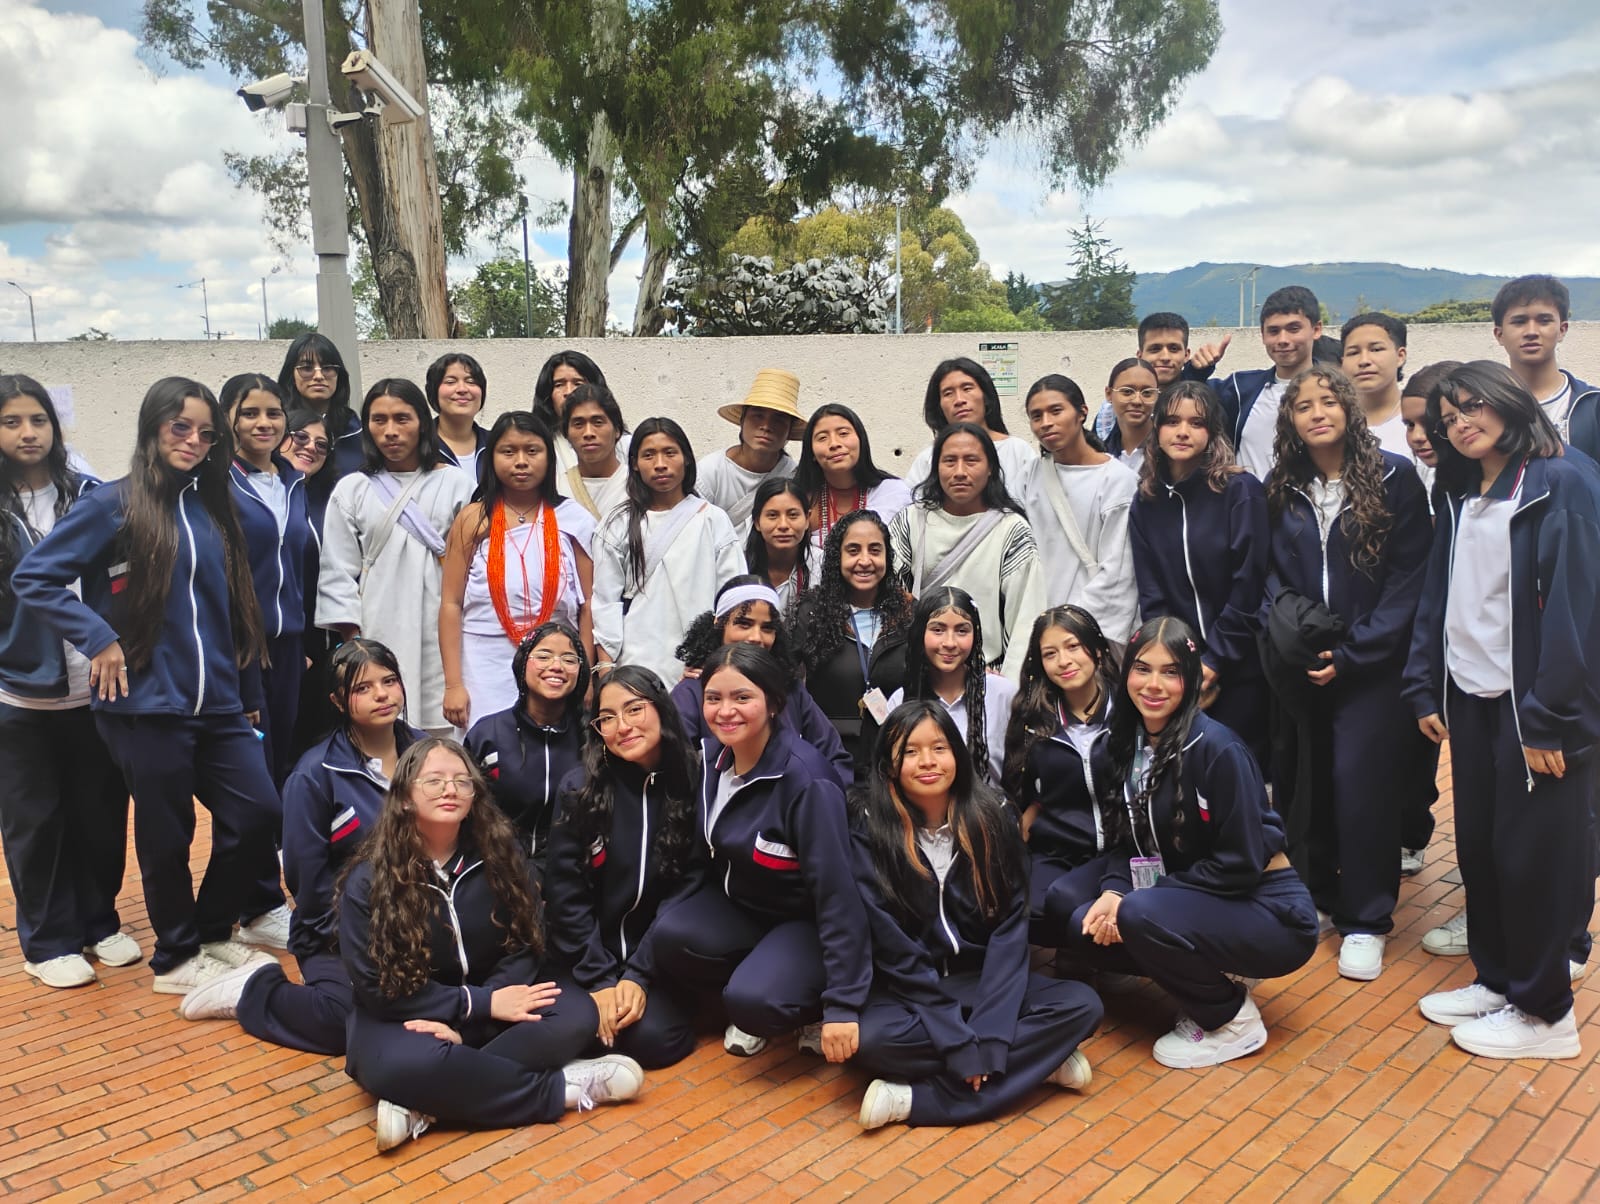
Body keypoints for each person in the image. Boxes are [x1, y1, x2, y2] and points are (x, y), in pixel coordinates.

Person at [14, 377, 281, 995]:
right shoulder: (112, 504)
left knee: (257, 813)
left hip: (217, 704)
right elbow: (37, 577)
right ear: (153, 427)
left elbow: (235, 610)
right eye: (179, 426)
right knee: (168, 835)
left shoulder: (215, 509)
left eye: (206, 432)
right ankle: (176, 958)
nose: (193, 440)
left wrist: (246, 698)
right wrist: (98, 637)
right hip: (143, 705)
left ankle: (213, 932)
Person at [1407, 361, 1600, 1060]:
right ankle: (1498, 980)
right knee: (1484, 852)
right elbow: (1443, 596)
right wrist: (1426, 685)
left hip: (1535, 715)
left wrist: (1550, 717)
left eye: (1472, 407)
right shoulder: (1463, 490)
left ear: (1509, 403)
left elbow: (1579, 613)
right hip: (1474, 700)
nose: (1461, 423)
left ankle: (1547, 1014)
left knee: (1535, 862)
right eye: (1448, 416)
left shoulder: (1562, 483)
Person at [339, 737, 642, 1152]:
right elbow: (379, 990)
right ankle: (564, 1088)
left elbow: (525, 943)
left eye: (462, 781)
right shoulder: (369, 880)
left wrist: (475, 1018)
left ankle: (427, 1102)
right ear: (405, 797)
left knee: (575, 1014)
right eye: (434, 781)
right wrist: (477, 1006)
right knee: (410, 1062)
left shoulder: (500, 855)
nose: (450, 789)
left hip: (491, 1001)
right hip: (404, 1017)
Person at [1058, 618, 1318, 1069]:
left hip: (1272, 913)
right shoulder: (1121, 747)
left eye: (1171, 672)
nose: (1154, 684)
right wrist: (1115, 891)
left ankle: (1232, 1019)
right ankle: (1203, 970)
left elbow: (1240, 866)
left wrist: (1142, 901)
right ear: (1125, 676)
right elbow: (1126, 844)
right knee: (1083, 922)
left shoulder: (1219, 749)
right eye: (1142, 669)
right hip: (1200, 897)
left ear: (1192, 679)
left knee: (1139, 915)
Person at [851, 700, 1103, 1129]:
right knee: (871, 1041)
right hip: (912, 988)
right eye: (910, 751)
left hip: (980, 980)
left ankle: (914, 1100)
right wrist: (956, 1041)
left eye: (939, 747)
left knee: (1082, 1005)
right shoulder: (868, 824)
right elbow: (891, 944)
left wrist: (987, 1036)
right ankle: (1036, 1063)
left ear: (958, 754)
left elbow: (1010, 929)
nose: (927, 762)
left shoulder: (994, 815)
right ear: (888, 763)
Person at [1262, 366, 1431, 983]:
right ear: (1291, 421)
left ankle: (1366, 920)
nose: (1316, 413)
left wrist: (1355, 653)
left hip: (1371, 668)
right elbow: (1271, 575)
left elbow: (1409, 581)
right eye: (1302, 406)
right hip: (1302, 666)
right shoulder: (1281, 484)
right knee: (1306, 784)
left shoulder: (1395, 478)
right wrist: (1296, 644)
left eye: (1327, 401)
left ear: (1349, 408)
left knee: (1363, 788)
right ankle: (1318, 895)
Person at [177, 639, 423, 1052]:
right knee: (346, 1020)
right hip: (339, 934)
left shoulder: (428, 755)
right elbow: (309, 885)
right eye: (363, 688)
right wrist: (367, 934)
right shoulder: (314, 775)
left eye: (390, 681)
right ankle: (254, 991)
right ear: (337, 701)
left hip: (422, 921)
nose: (382, 694)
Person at [638, 643, 869, 1059]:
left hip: (806, 921)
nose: (725, 711)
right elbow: (698, 866)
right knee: (670, 937)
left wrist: (844, 1004)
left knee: (755, 1004)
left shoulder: (806, 780)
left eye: (742, 697)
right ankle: (762, 975)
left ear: (775, 703)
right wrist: (637, 971)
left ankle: (809, 1002)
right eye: (714, 698)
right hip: (745, 908)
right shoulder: (711, 763)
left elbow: (838, 896)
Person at [0, 374, 138, 990]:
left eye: (38, 421)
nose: (27, 433)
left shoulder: (91, 495)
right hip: (18, 694)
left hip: (96, 687)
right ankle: (49, 940)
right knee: (36, 821)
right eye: (11, 422)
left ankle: (98, 920)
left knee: (101, 812)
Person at [544, 665, 705, 1069]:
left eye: (634, 709)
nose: (622, 726)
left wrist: (638, 975)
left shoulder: (694, 780)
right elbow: (566, 896)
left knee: (657, 1041)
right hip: (587, 958)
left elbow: (687, 891)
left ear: (661, 710)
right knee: (575, 1024)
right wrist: (599, 981)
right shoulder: (579, 788)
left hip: (654, 959)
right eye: (607, 718)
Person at [317, 378, 474, 736]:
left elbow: (474, 566)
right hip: (377, 621)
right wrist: (356, 644)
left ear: (422, 421)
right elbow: (336, 571)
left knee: (444, 729)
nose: (390, 431)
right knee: (382, 721)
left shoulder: (457, 485)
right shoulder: (352, 489)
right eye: (379, 420)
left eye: (402, 418)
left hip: (442, 623)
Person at [1129, 380, 1270, 766]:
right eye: (1172, 421)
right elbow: (1152, 592)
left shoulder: (1240, 491)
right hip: (1181, 672)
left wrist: (1215, 661)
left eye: (1196, 422)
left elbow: (1249, 584)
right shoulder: (1147, 500)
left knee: (1241, 775)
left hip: (1244, 669)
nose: (1183, 431)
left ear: (1213, 432)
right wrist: (1178, 662)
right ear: (1157, 429)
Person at [440, 413, 594, 730]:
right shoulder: (473, 519)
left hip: (555, 664)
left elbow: (589, 605)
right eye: (508, 452)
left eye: (532, 451)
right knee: (487, 759)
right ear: (492, 457)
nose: (520, 461)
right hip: (484, 664)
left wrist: (587, 674)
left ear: (549, 458)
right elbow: (451, 603)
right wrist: (454, 684)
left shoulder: (573, 518)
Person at [590, 417, 745, 687]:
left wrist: (718, 660)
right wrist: (606, 671)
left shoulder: (713, 520)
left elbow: (733, 598)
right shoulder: (618, 524)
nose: (660, 464)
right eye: (649, 455)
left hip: (700, 668)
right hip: (634, 667)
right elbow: (605, 602)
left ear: (686, 458)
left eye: (669, 453)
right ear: (635, 464)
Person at [1000, 606, 1122, 944]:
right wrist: (1034, 806)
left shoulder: (1129, 710)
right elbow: (1022, 783)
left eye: (1073, 647)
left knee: (1074, 907)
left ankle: (1086, 951)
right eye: (1050, 654)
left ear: (1096, 649)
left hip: (1124, 848)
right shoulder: (1033, 717)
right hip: (1060, 849)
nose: (1063, 661)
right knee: (1025, 907)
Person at [887, 423, 1046, 679]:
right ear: (936, 467)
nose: (960, 472)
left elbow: (1026, 618)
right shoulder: (911, 522)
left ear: (991, 467)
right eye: (949, 461)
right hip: (918, 676)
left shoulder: (1011, 530)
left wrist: (1009, 690)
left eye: (971, 460)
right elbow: (889, 599)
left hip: (986, 678)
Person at [670, 575, 852, 787]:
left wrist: (822, 803)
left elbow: (834, 757)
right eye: (744, 624)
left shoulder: (790, 689)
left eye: (767, 628)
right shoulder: (693, 690)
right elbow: (676, 765)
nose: (756, 637)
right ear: (719, 624)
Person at [223, 373, 311, 787]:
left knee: (285, 756)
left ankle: (282, 849)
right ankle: (257, 848)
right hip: (242, 645)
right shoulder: (220, 483)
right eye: (250, 413)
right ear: (229, 420)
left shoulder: (293, 481)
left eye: (274, 413)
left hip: (289, 646)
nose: (264, 423)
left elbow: (299, 564)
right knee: (253, 763)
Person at [1014, 374, 1139, 648]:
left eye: (1056, 411)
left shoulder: (1118, 481)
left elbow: (1118, 573)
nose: (1046, 422)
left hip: (1092, 634)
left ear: (1082, 413)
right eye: (1036, 416)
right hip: (1036, 629)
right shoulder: (1027, 477)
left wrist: (1073, 631)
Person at [789, 510, 914, 781]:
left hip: (895, 756)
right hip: (829, 755)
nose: (865, 561)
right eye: (853, 550)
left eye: (875, 550)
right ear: (837, 557)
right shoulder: (812, 612)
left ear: (887, 557)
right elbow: (783, 677)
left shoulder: (909, 613)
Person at [463, 622, 590, 865]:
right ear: (523, 664)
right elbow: (470, 815)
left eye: (569, 659)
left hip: (570, 872)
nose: (556, 666)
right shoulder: (488, 734)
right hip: (497, 866)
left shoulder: (592, 735)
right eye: (543, 656)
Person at [886, 588, 1017, 786]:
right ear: (920, 633)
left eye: (962, 630)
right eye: (937, 630)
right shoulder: (901, 700)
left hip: (991, 812)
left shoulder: (1002, 694)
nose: (949, 643)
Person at [1209, 285, 1326, 479]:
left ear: (1316, 329)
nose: (1282, 339)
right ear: (1262, 335)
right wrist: (1197, 370)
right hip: (1251, 507)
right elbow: (1182, 397)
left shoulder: (1337, 392)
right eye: (1273, 331)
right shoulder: (1239, 388)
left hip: (1313, 507)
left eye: (1293, 329)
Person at [1491, 274, 1599, 460]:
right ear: (1499, 334)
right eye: (1519, 322)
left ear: (1562, 330)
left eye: (1544, 320)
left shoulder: (1593, 406)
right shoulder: (1484, 407)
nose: (1531, 332)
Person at [282, 409, 339, 756]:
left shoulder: (330, 498)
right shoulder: (262, 495)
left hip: (328, 649)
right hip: (285, 647)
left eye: (321, 444)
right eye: (300, 437)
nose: (311, 448)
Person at [792, 403, 913, 556]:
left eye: (843, 433)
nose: (834, 444)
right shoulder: (800, 501)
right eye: (822, 438)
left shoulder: (895, 494)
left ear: (860, 440)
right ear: (812, 453)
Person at [906, 359, 1039, 494]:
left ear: (985, 396)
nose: (959, 400)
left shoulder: (1017, 451)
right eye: (948, 393)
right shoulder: (927, 458)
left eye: (967, 388)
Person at [696, 368, 804, 532]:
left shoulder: (793, 477)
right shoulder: (711, 471)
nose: (766, 427)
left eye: (778, 419)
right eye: (758, 416)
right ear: (742, 420)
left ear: (789, 430)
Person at [276, 333, 362, 492]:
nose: (318, 376)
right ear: (291, 374)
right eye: (307, 368)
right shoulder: (277, 427)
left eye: (327, 368)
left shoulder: (355, 429)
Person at [532, 350, 619, 477]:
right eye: (559, 384)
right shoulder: (537, 445)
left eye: (578, 383)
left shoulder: (625, 444)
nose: (569, 391)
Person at [1340, 313, 1412, 460]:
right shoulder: (1333, 421)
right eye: (1353, 352)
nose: (1364, 361)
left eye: (1376, 349)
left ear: (1400, 356)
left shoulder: (1419, 420)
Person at [560, 383, 630, 521]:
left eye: (598, 422)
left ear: (617, 430)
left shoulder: (636, 486)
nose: (588, 433)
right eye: (578, 424)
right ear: (566, 433)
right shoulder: (557, 488)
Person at [744, 477, 816, 610]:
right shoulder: (739, 566)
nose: (783, 525)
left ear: (807, 519)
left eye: (793, 515)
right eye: (772, 515)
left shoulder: (822, 565)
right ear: (757, 522)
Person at [425, 352, 491, 477]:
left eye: (471, 381)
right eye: (450, 382)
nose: (462, 389)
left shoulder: (495, 444)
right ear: (433, 391)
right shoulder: (419, 445)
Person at [1100, 358, 1161, 471]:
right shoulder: (1099, 454)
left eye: (1147, 393)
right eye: (1127, 391)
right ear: (1109, 394)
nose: (1137, 401)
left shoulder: (1168, 451)